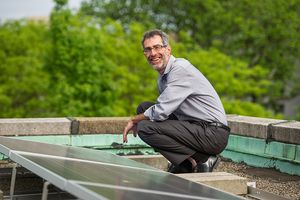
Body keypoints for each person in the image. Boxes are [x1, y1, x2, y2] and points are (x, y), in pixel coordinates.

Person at [123, 29, 230, 173]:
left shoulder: (179, 69)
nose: (153, 53)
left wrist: (134, 120)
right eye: (148, 49)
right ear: (144, 54)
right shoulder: (162, 77)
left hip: (212, 133)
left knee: (145, 127)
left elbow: (161, 111)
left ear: (168, 49)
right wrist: (141, 116)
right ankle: (187, 163)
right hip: (195, 127)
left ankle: (203, 159)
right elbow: (163, 111)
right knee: (144, 108)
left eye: (157, 47)